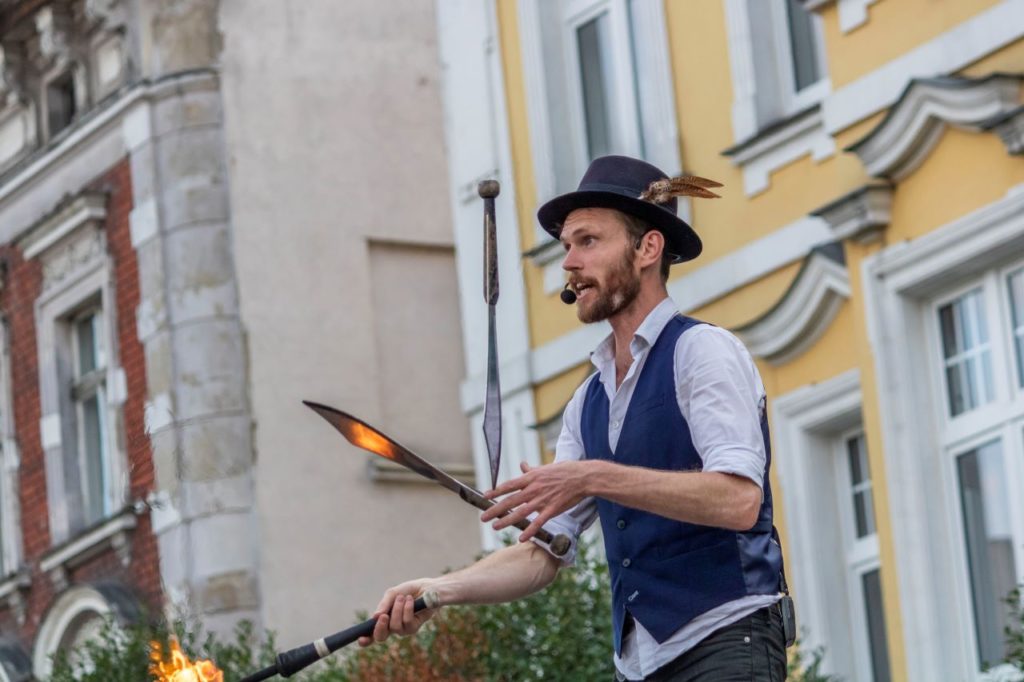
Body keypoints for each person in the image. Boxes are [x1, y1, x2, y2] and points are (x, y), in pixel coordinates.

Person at [361, 155, 790, 681]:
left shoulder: (702, 351)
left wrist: (592, 476)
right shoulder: (587, 402)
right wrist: (437, 591)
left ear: (647, 249)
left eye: (588, 241)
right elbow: (544, 554)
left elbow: (739, 500)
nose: (568, 262)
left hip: (725, 642)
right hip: (639, 666)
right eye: (566, 246)